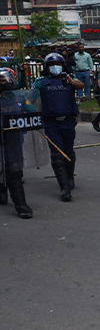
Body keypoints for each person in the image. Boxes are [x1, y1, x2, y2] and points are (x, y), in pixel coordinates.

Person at [33, 53, 84, 202]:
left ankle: (69, 177)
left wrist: (71, 82)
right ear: (46, 67)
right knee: (57, 153)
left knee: (68, 151)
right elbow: (29, 99)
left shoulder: (69, 79)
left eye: (59, 64)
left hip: (68, 122)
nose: (55, 67)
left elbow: (81, 86)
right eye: (51, 65)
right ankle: (64, 188)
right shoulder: (40, 82)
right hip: (51, 123)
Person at [0, 68, 33, 218]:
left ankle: (20, 204)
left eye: (7, 79)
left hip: (14, 138)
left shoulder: (19, 97)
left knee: (15, 169)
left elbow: (31, 110)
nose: (5, 82)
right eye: (1, 80)